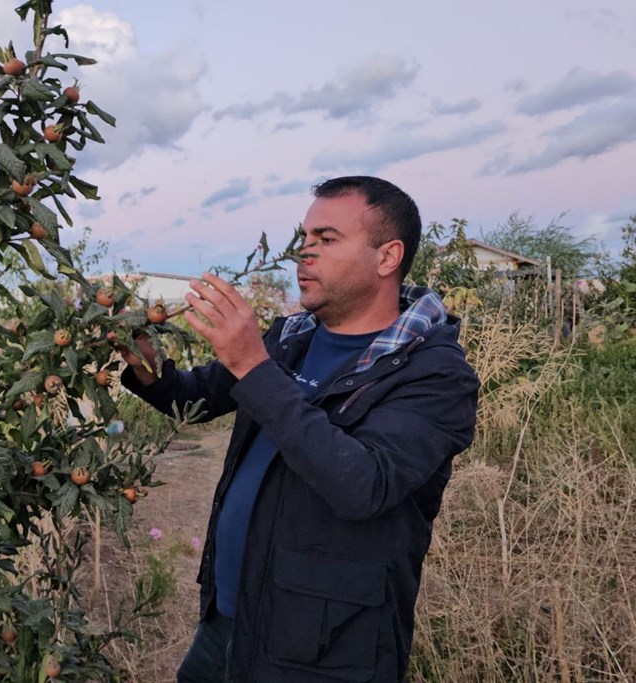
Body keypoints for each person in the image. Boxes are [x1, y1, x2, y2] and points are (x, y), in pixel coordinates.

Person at [115, 176, 480, 682]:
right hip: (227, 623)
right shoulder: (290, 338)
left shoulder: (433, 374)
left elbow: (362, 484)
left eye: (326, 240)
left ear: (387, 256)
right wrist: (144, 364)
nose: (302, 255)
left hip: (323, 654)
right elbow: (194, 397)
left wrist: (253, 365)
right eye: (303, 239)